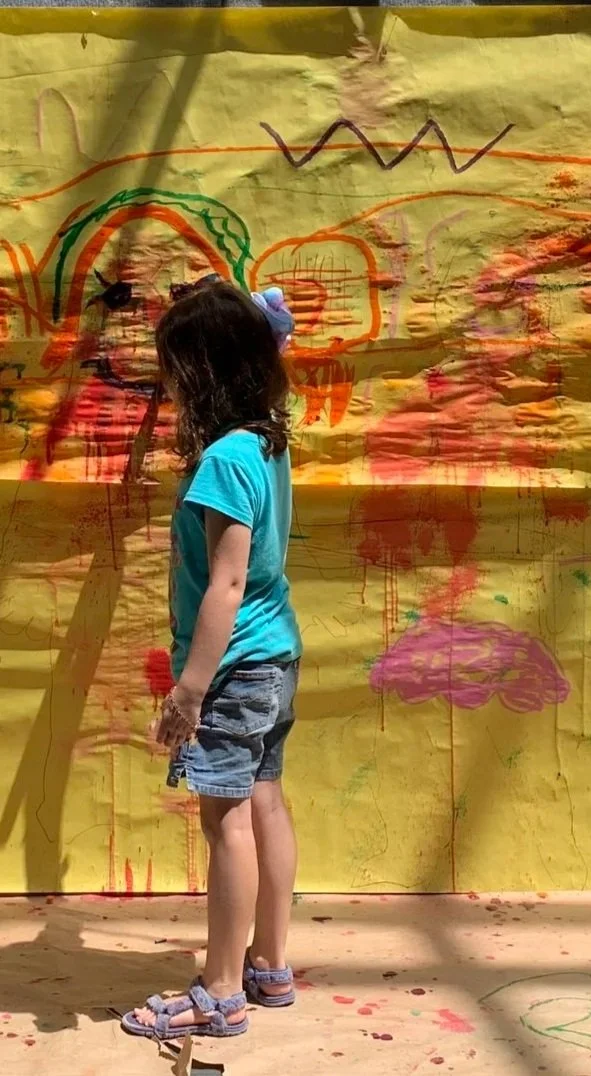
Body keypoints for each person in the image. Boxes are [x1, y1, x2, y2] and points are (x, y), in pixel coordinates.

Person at [123, 279, 303, 1040]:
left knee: (225, 821)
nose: (167, 389)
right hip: (275, 653)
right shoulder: (264, 438)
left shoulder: (225, 459)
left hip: (233, 667)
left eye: (174, 371)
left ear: (201, 375)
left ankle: (220, 992)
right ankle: (268, 964)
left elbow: (225, 584)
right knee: (264, 802)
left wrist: (189, 689)